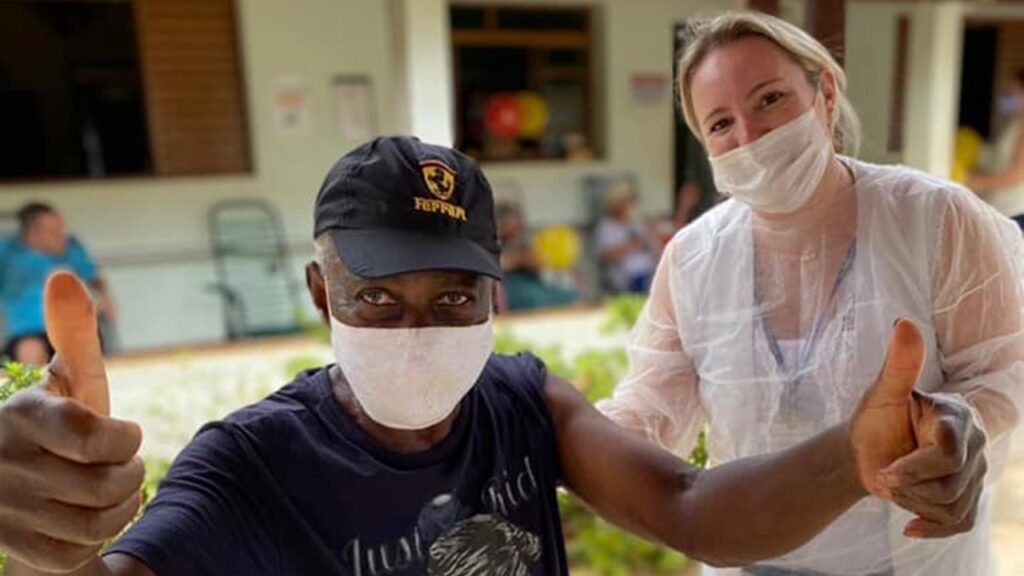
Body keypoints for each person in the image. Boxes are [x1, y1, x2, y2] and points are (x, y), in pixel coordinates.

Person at [0, 137, 978, 576]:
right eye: (376, 298)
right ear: (318, 295)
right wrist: (57, 546)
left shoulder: (520, 402)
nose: (418, 331)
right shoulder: (252, 467)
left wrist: (851, 458)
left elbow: (691, 511)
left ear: (493, 295)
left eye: (453, 296)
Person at [600, 12, 1022, 576]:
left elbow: (1003, 367)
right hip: (747, 557)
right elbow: (649, 409)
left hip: (916, 560)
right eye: (721, 124)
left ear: (825, 91)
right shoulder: (694, 258)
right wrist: (551, 438)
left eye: (770, 99)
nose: (751, 137)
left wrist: (955, 427)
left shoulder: (933, 219)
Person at [0, 202, 115, 365]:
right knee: (30, 351)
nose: (62, 235)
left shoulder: (72, 248)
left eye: (61, 228)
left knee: (86, 353)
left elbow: (93, 276)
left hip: (74, 329)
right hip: (30, 331)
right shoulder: (8, 252)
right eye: (54, 232)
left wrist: (105, 298)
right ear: (32, 234)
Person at [496, 202, 579, 311]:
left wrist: (538, 262)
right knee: (536, 299)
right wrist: (520, 260)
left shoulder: (522, 241)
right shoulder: (493, 243)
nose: (518, 226)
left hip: (533, 282)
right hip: (511, 286)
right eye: (513, 222)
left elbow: (537, 262)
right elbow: (498, 264)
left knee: (570, 295)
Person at [967, 69, 1024, 227]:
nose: (1008, 95)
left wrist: (977, 181)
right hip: (1002, 206)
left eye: (1013, 91)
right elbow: (1000, 160)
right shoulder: (1016, 121)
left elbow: (1020, 173)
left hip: (1014, 209)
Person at [595, 181, 657, 293]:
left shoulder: (637, 223)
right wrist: (638, 242)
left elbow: (654, 250)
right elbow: (609, 258)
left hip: (649, 273)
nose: (634, 205)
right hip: (627, 280)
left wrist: (652, 234)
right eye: (629, 201)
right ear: (617, 204)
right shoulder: (607, 227)